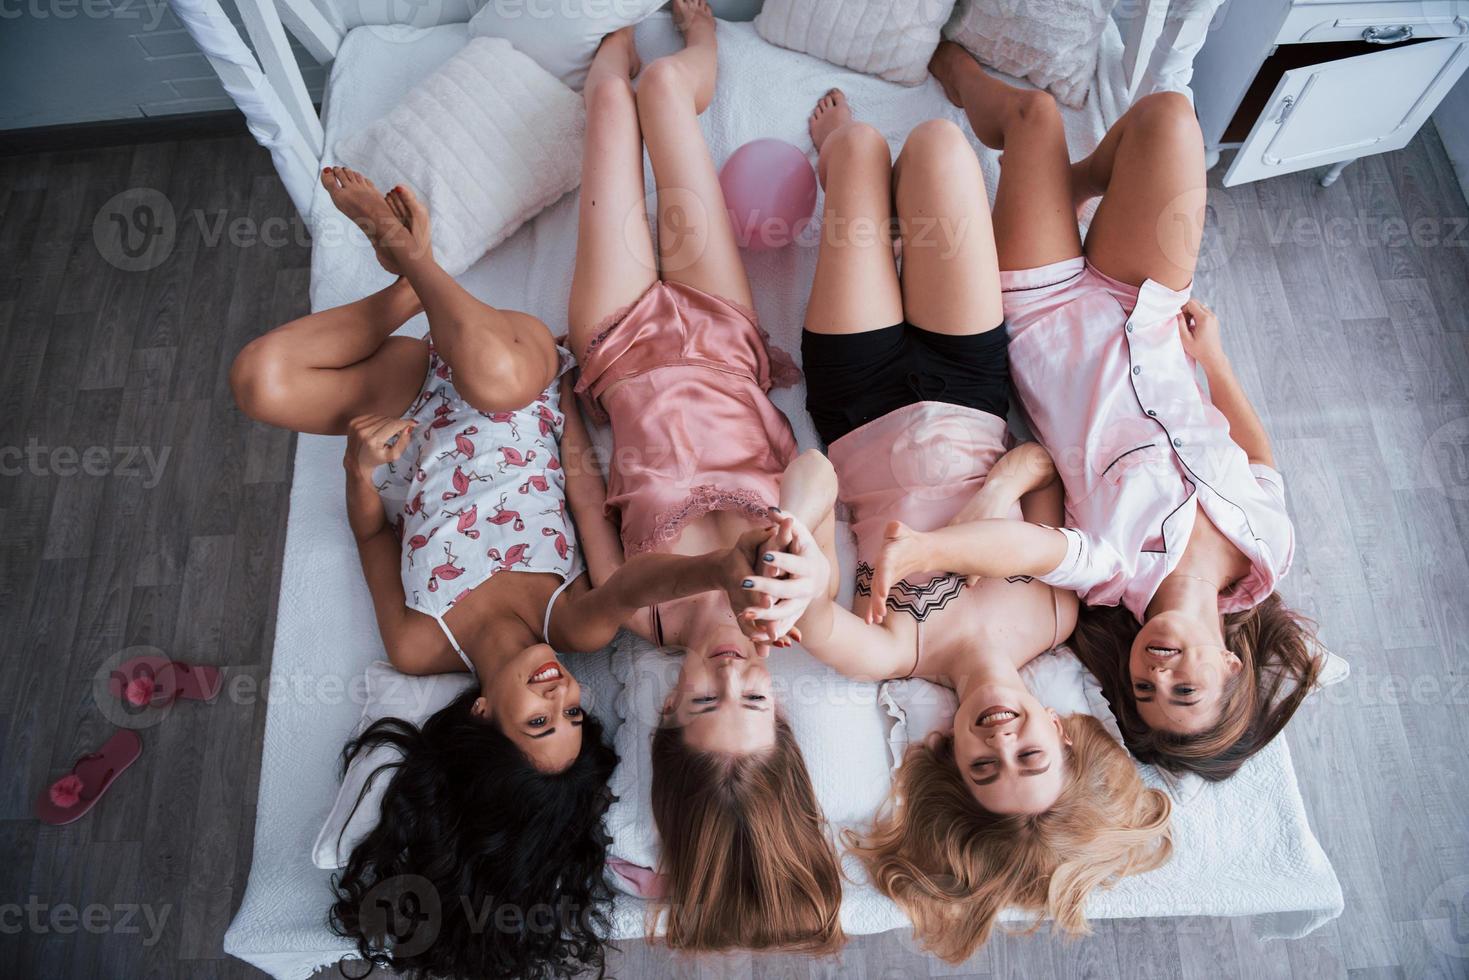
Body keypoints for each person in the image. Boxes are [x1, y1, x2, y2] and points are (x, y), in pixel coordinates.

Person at [228, 137, 778, 977]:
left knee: (259, 381)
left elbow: (373, 534)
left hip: (418, 397)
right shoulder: (573, 623)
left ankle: (406, 287)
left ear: (483, 717)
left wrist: (359, 469)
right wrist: (713, 568)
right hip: (516, 377)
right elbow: (635, 574)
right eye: (574, 718)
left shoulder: (420, 644)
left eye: (538, 721)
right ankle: (419, 261)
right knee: (489, 377)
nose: (563, 697)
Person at [738, 92, 1171, 961]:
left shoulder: (890, 651)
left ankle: (848, 179)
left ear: (942, 751)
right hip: (968, 379)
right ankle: (905, 220)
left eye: (984, 768)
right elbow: (1038, 461)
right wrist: (987, 501)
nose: (1004, 742)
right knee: (938, 144)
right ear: (1060, 734)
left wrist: (795, 575)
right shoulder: (1055, 615)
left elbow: (817, 605)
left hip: (856, 394)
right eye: (1029, 758)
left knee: (859, 148)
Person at [874, 43, 1328, 781]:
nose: (1159, 673)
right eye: (1184, 688)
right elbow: (1258, 461)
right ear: (1232, 669)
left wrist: (926, 553)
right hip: (1143, 306)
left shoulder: (1109, 575)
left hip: (1045, 313)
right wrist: (1213, 360)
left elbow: (1025, 551)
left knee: (1034, 116)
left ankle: (963, 84)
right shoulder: (1267, 549)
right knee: (1169, 119)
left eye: (1145, 692)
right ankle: (1079, 186)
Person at [562, 2, 842, 952]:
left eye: (703, 705)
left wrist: (556, 408)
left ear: (666, 713)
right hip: (724, 339)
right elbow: (812, 466)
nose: (730, 676)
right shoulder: (798, 602)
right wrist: (795, 534)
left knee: (610, 101)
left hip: (616, 347)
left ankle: (600, 18)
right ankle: (706, 46)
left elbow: (579, 483)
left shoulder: (643, 614)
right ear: (782, 708)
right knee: (663, 92)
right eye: (753, 702)